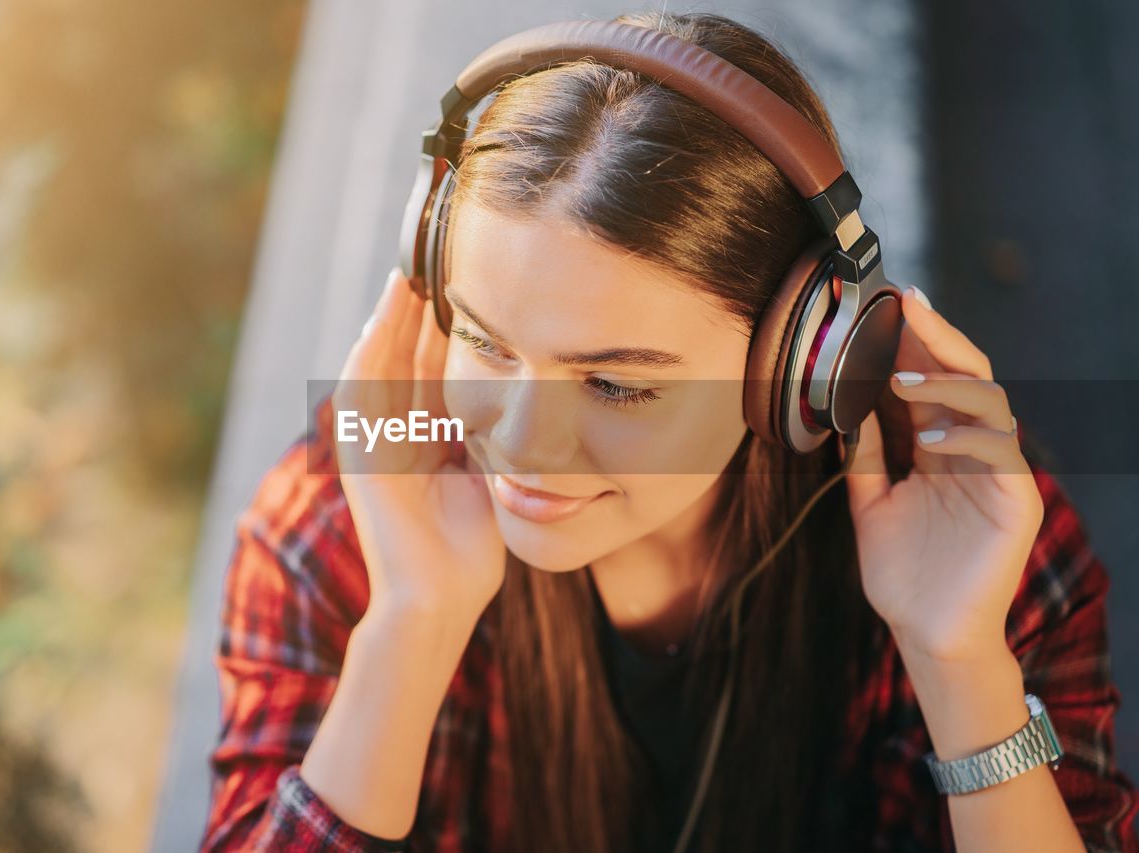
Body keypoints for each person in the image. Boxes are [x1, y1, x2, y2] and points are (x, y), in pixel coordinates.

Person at [199, 11, 1139, 852]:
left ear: (802, 368)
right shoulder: (342, 513)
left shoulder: (971, 535)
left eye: (612, 383)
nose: (523, 443)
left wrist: (960, 661)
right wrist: (412, 619)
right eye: (484, 341)